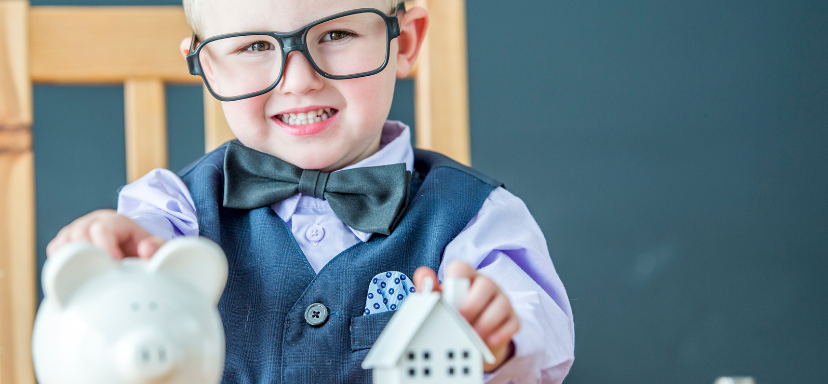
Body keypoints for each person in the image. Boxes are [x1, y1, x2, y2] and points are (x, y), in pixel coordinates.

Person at [46, 0, 574, 382]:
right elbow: (139, 264)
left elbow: (541, 332)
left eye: (337, 35)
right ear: (209, 67)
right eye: (254, 46)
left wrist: (496, 339)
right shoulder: (173, 209)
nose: (298, 80)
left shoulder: (474, 218)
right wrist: (116, 253)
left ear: (404, 40)